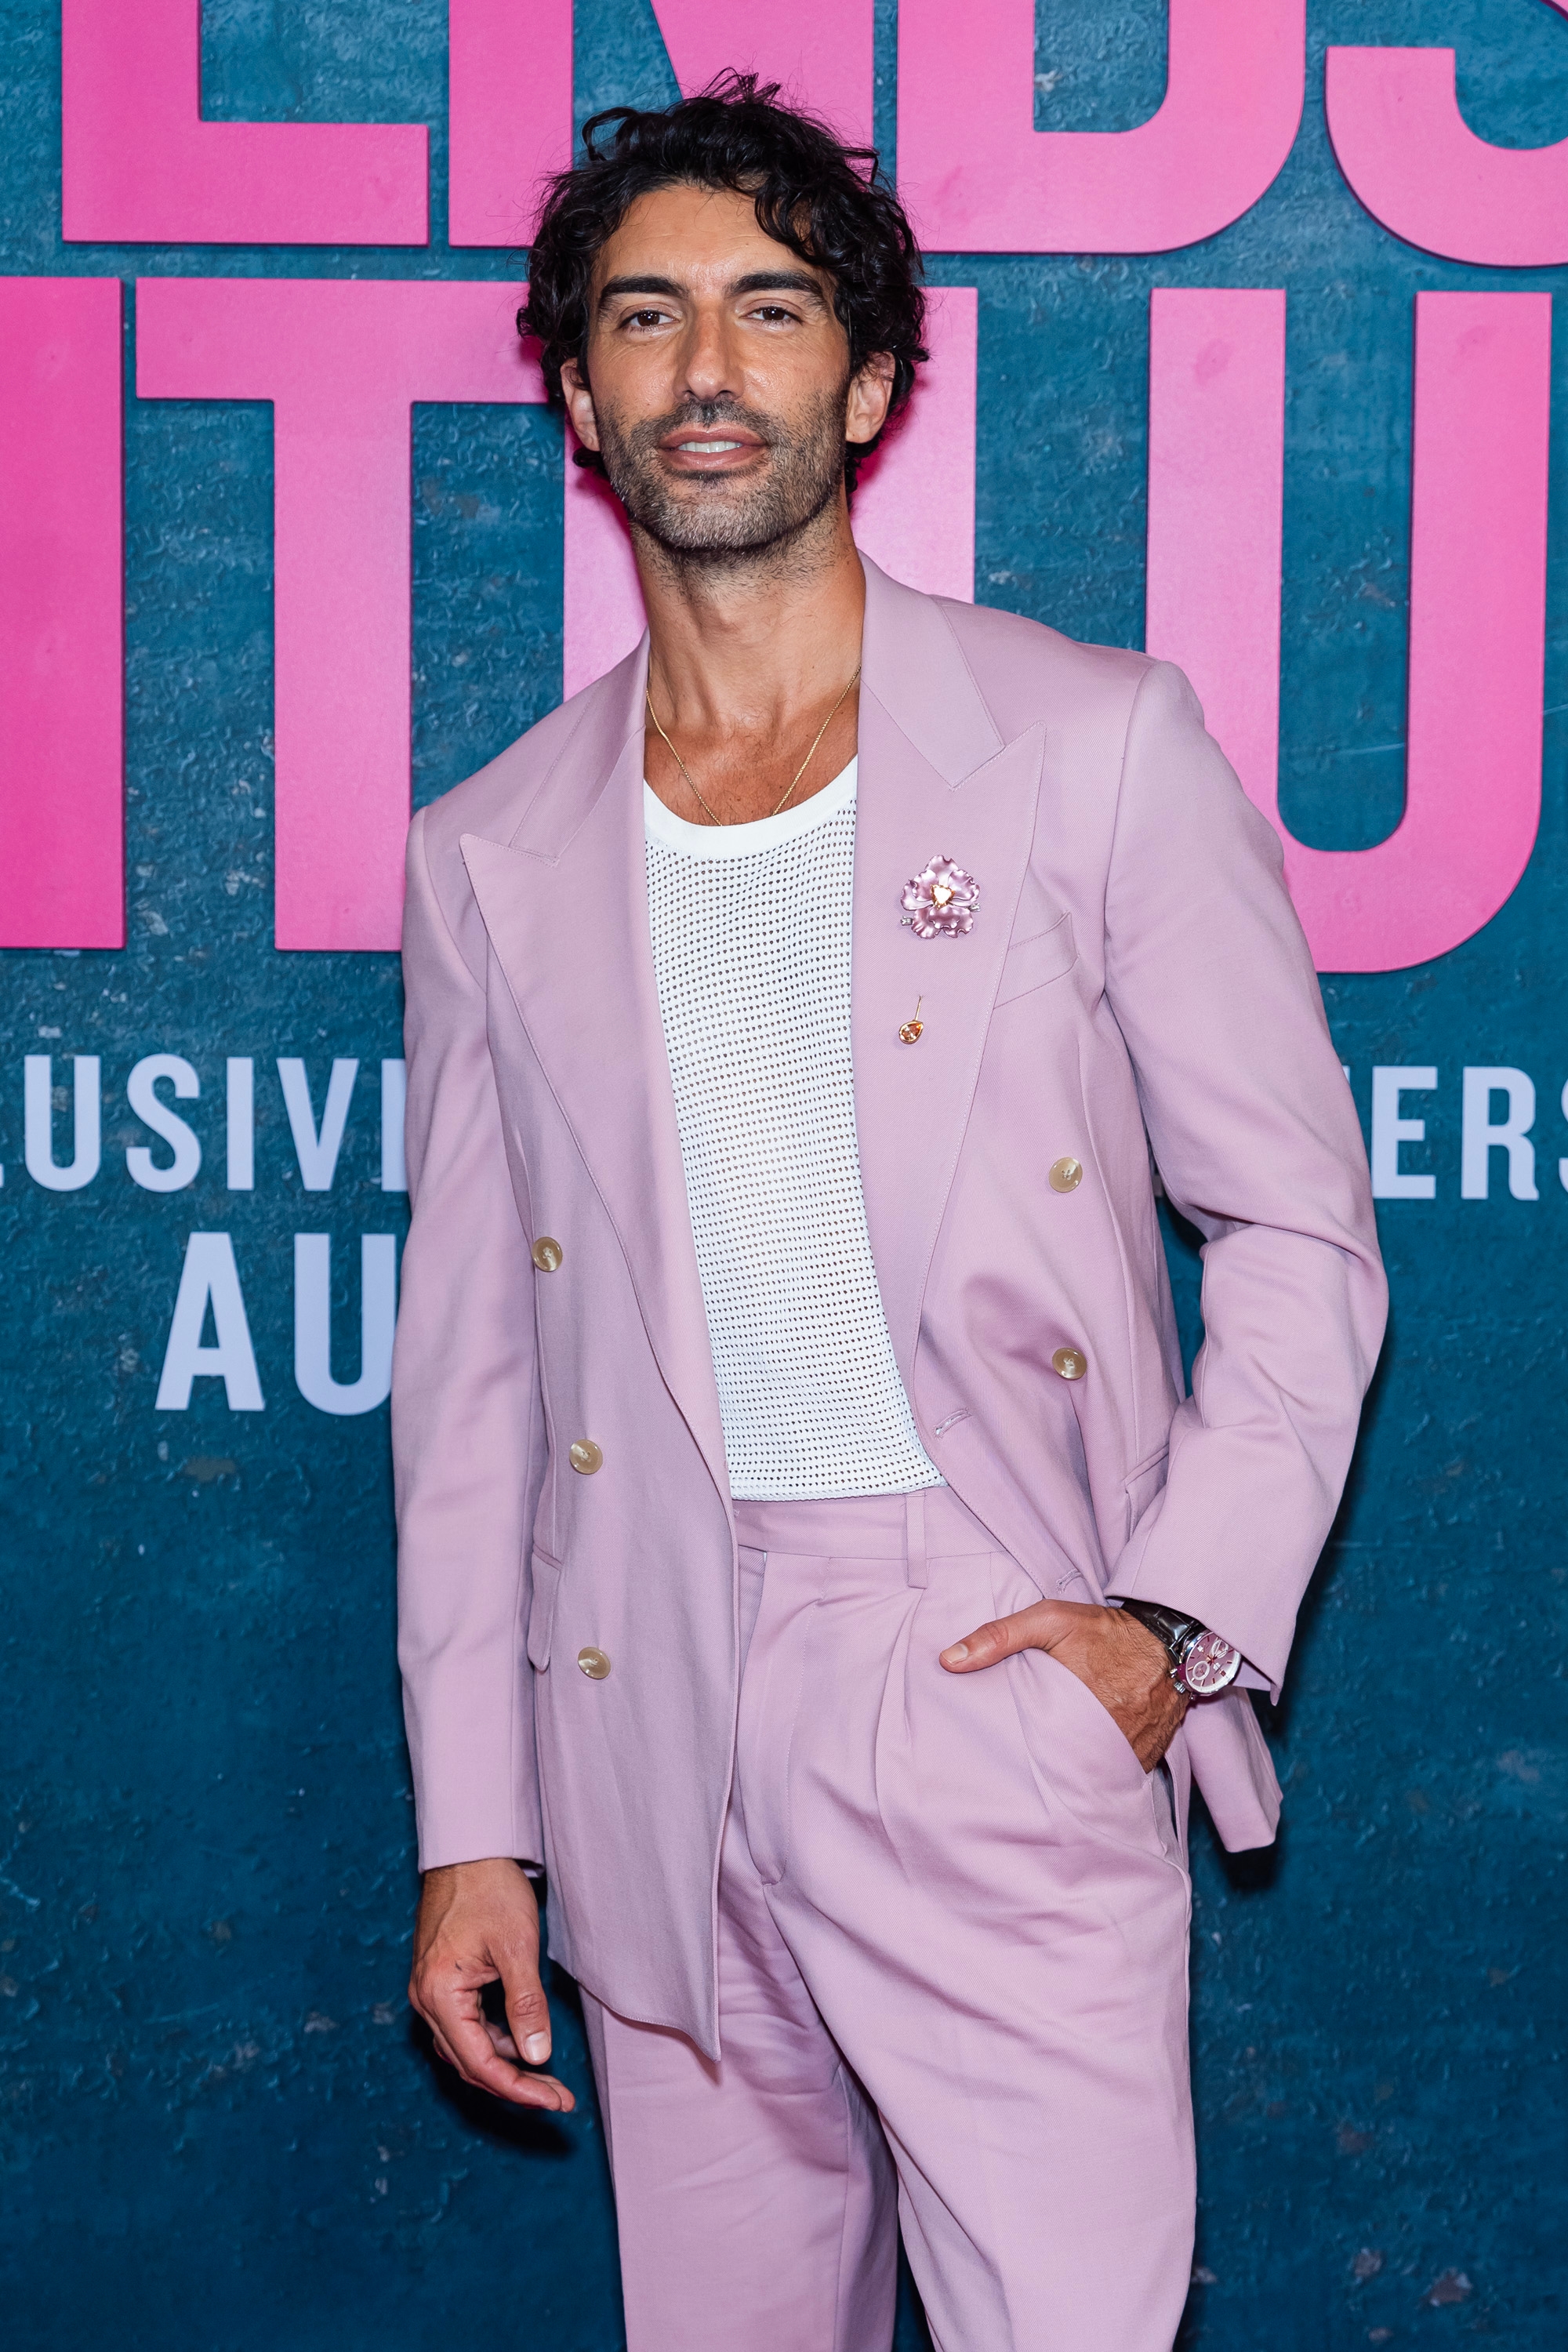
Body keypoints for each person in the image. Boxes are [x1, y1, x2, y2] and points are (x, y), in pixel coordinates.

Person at [394, 75, 1386, 2352]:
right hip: (645, 1700)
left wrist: (1167, 1624)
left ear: (866, 378)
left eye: (768, 310)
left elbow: (1305, 1232)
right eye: (645, 318)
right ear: (578, 390)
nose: (707, 369)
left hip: (988, 1662)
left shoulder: (1090, 741)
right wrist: (480, 1824)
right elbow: (466, 1394)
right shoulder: (490, 846)